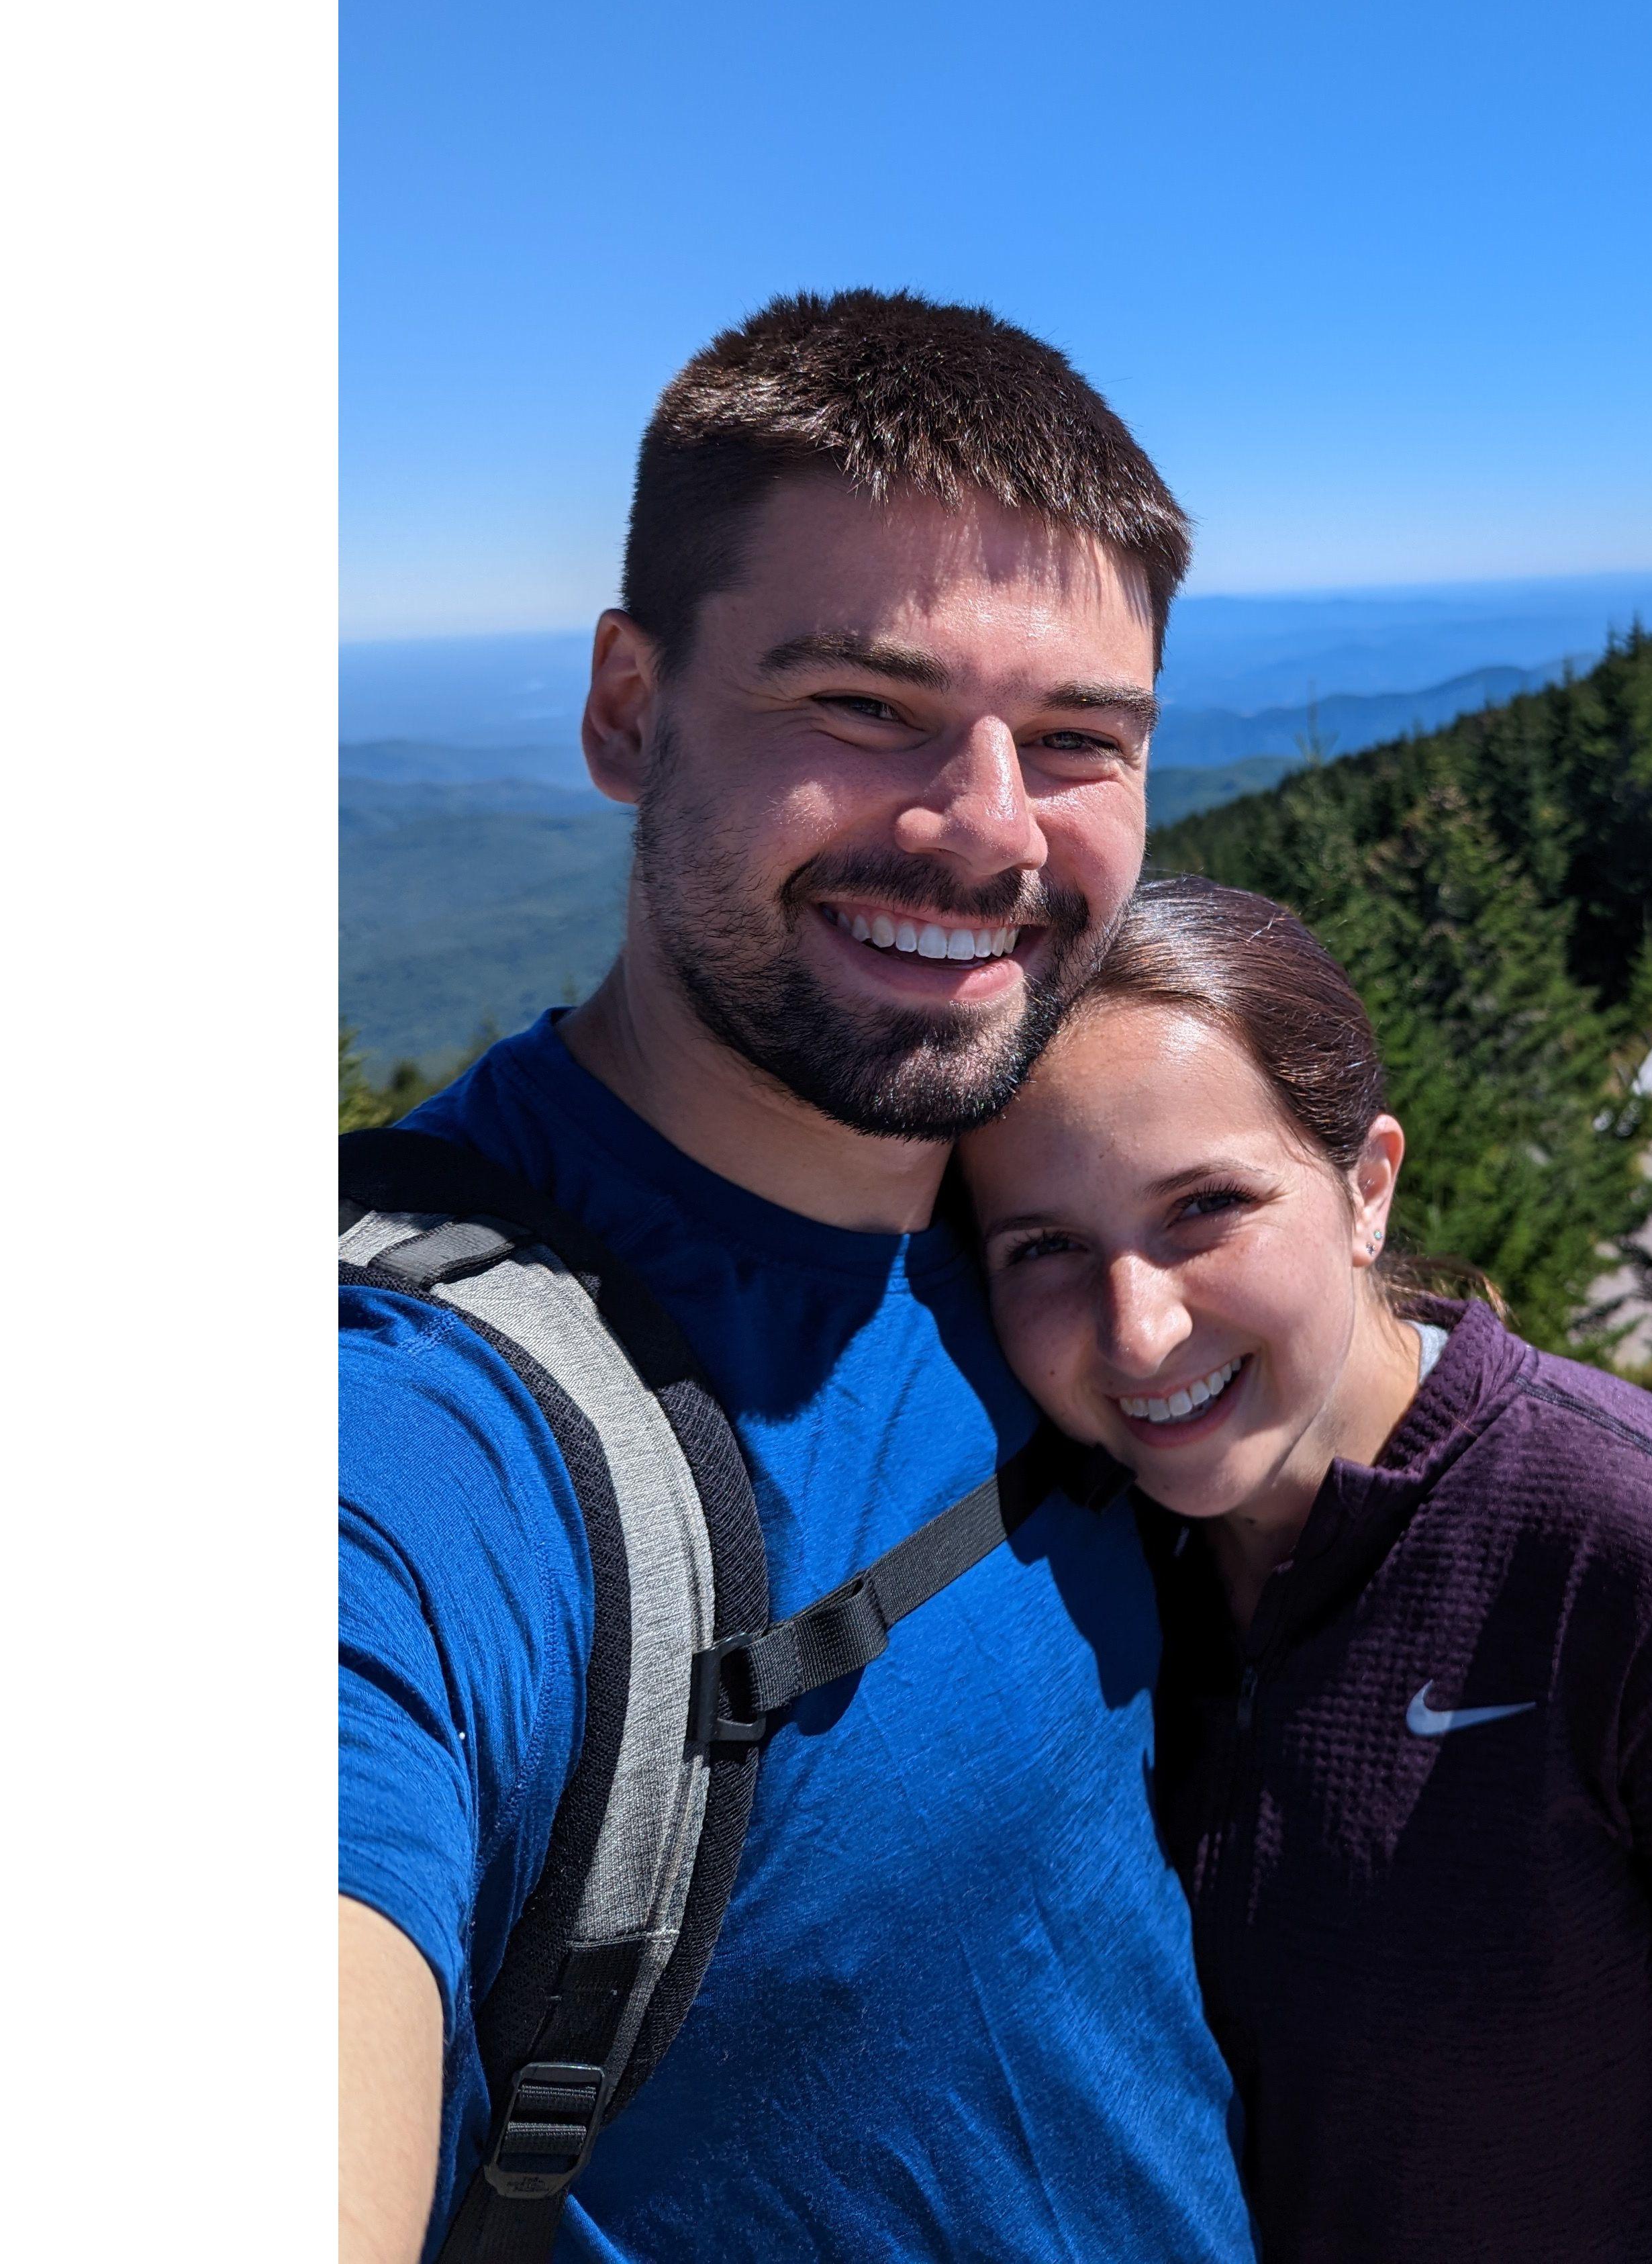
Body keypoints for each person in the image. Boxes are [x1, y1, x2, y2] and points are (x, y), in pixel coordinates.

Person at [340, 293, 1260, 2264]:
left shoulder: (1048, 1240)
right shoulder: (419, 1447)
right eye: (862, 705)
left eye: (1085, 741)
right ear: (624, 708)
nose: (991, 832)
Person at [961, 876, 1652, 2264]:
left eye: (1203, 1209)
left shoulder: (1638, 1548)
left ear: (1367, 1187)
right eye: (1047, 1248)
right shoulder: (1094, 1564)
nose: (1135, 1331)